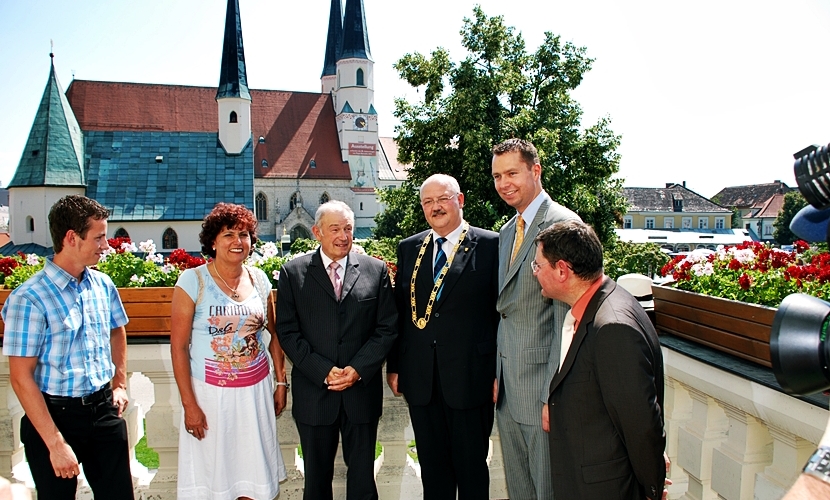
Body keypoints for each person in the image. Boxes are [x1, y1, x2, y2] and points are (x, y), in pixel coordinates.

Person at [2, 195, 133, 499]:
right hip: (54, 417)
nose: (107, 245)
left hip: (104, 412)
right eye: (99, 237)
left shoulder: (103, 285)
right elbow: (21, 378)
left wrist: (120, 383)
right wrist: (55, 443)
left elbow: (117, 331)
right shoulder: (28, 298)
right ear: (72, 238)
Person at [386, 174, 500, 499]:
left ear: (460, 200)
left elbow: (502, 314)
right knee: (433, 473)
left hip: (471, 379)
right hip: (421, 380)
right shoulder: (409, 248)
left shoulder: (491, 245)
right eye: (427, 202)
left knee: (472, 471)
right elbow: (401, 313)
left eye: (442, 199)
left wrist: (497, 372)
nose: (435, 207)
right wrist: (395, 366)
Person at [534, 220, 666, 499]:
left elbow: (641, 423)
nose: (534, 273)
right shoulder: (600, 306)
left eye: (537, 266)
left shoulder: (612, 327)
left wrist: (652, 488)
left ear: (561, 270)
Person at [276, 200, 397, 500]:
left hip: (361, 393)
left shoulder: (375, 270)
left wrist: (357, 370)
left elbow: (387, 327)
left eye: (348, 229)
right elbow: (287, 332)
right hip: (315, 396)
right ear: (317, 232)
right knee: (316, 483)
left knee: (363, 483)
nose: (343, 236)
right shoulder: (293, 273)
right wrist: (323, 371)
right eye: (335, 229)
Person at [170, 202, 287, 499]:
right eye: (229, 235)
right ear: (213, 241)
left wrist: (280, 382)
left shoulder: (259, 280)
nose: (238, 242)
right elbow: (179, 348)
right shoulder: (192, 281)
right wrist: (189, 405)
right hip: (210, 397)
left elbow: (274, 335)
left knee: (253, 478)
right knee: (215, 481)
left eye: (245, 235)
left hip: (255, 394)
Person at [490, 138, 580, 499]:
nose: (503, 183)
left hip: (542, 391)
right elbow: (508, 311)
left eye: (512, 173)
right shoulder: (508, 230)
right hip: (508, 391)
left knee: (548, 491)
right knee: (521, 491)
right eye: (497, 176)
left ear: (535, 170)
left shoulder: (562, 225)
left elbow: (569, 321)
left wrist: (550, 397)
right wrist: (498, 375)